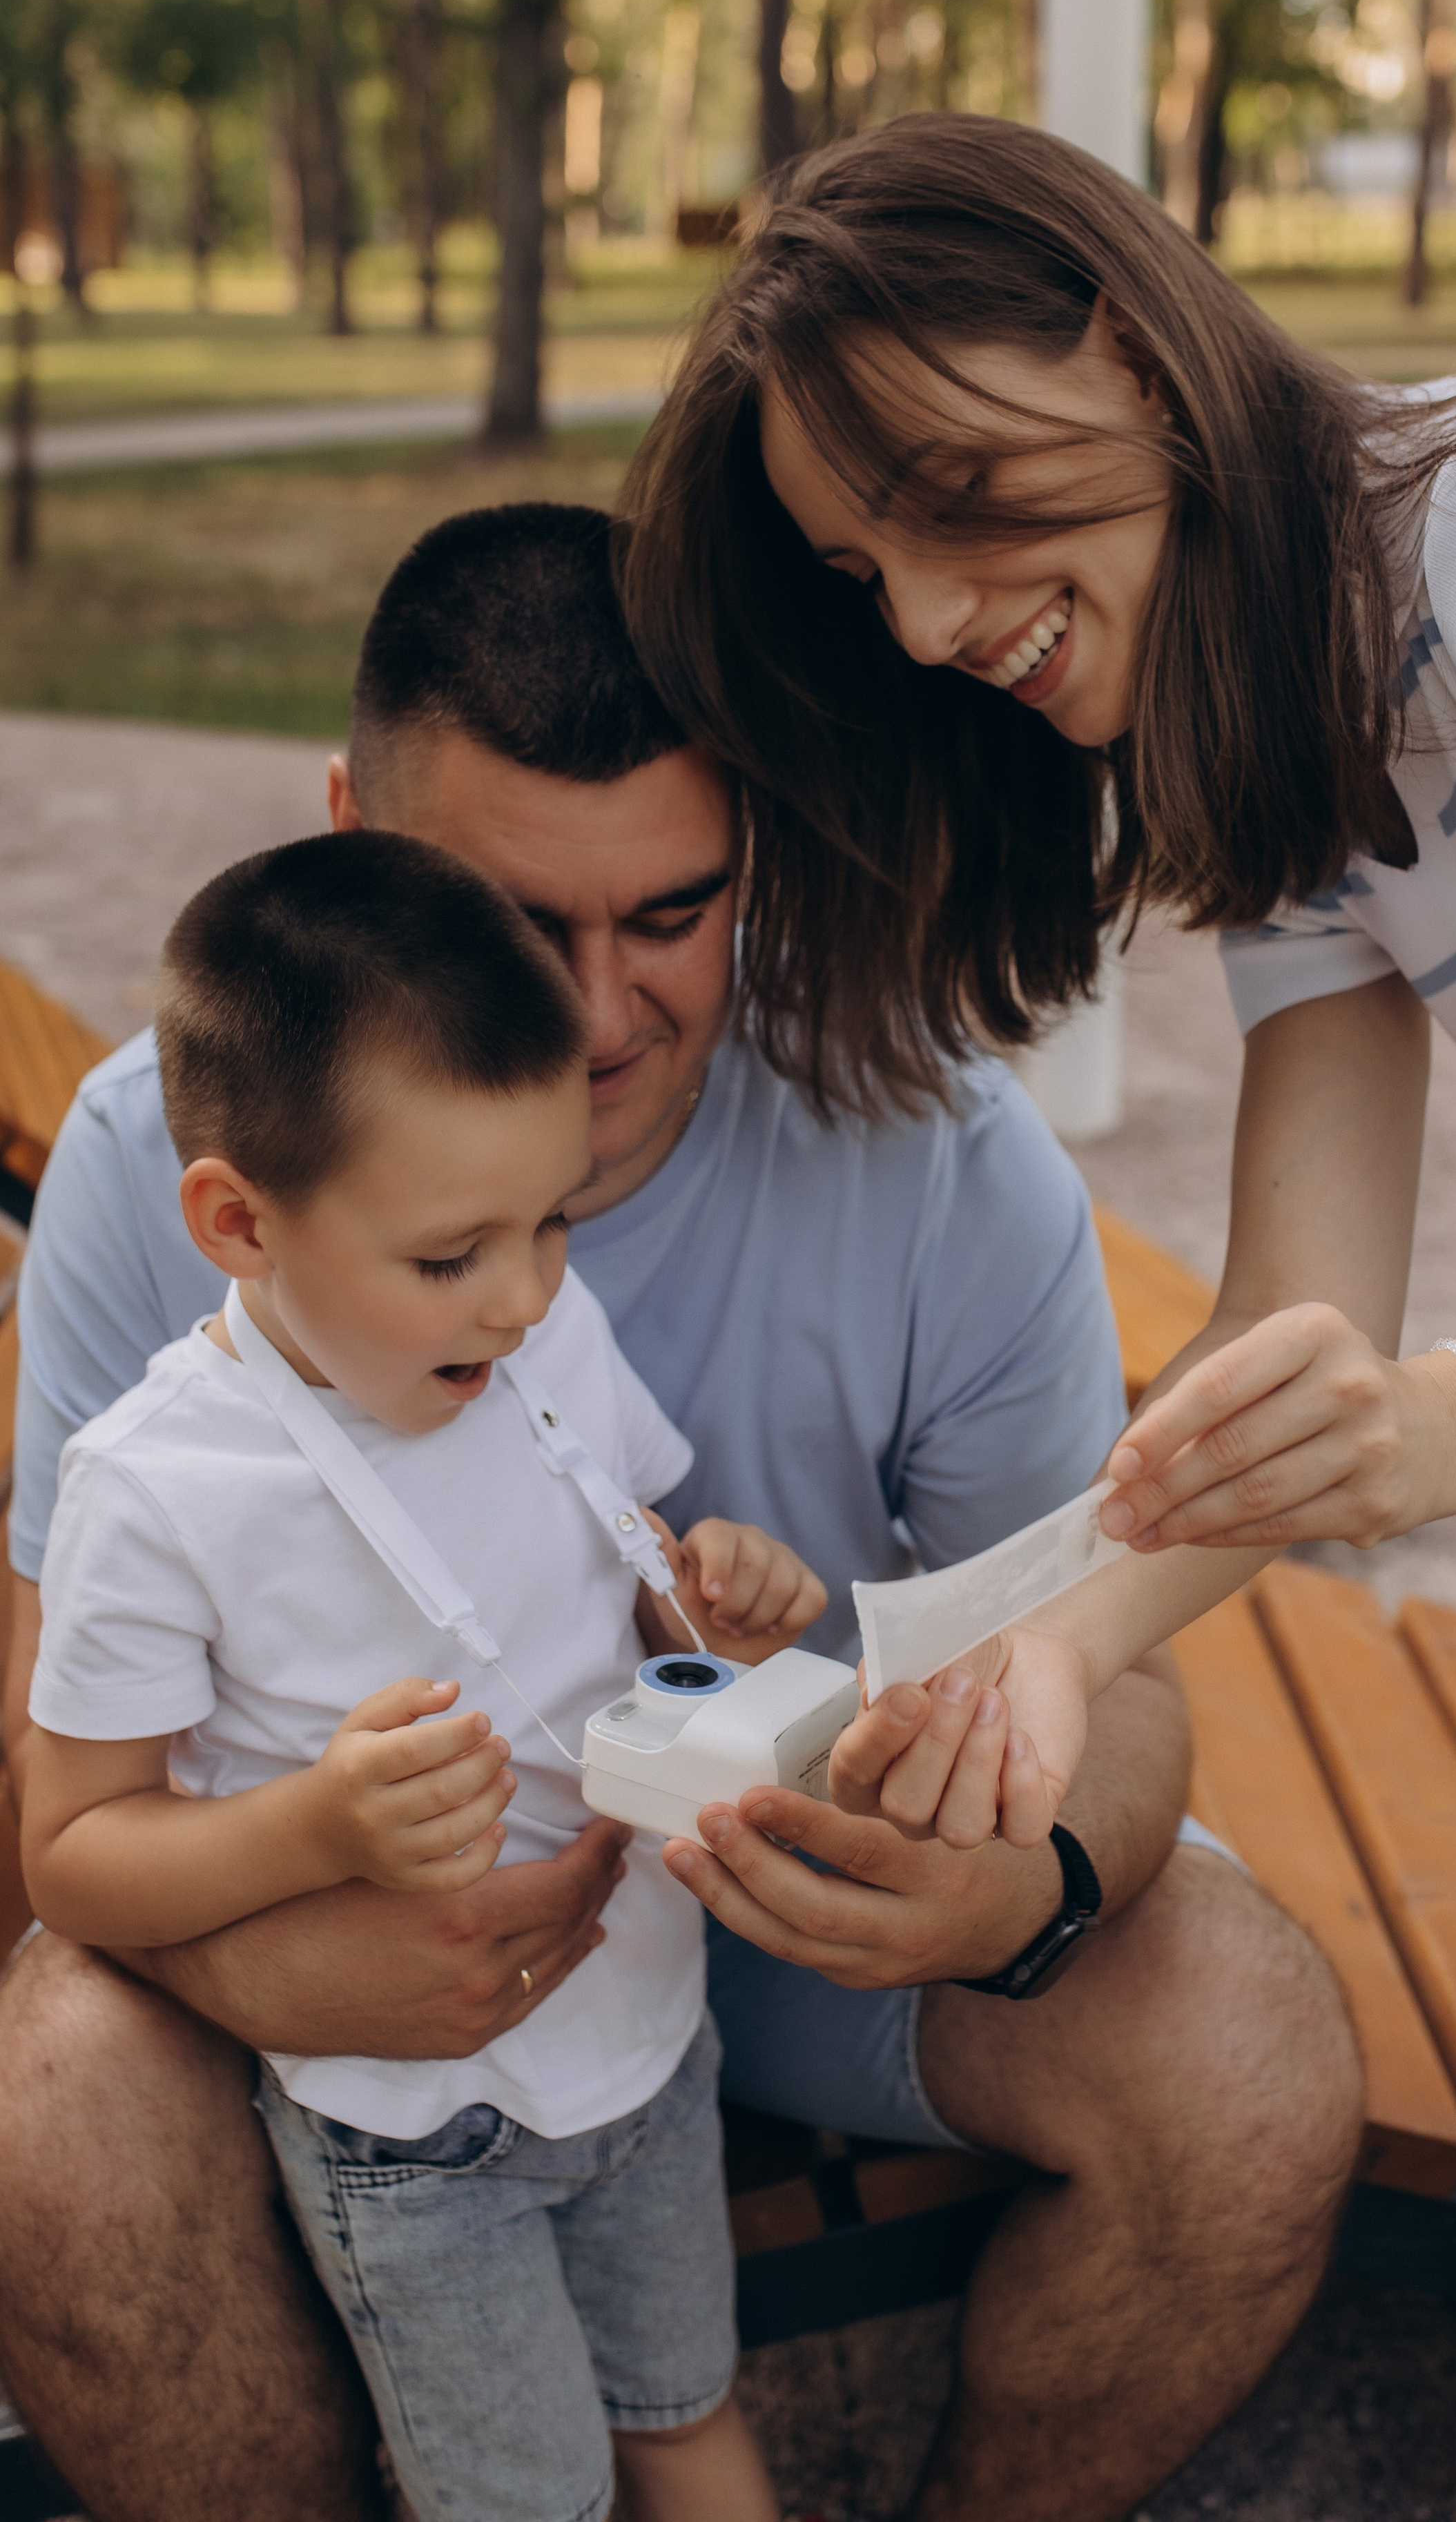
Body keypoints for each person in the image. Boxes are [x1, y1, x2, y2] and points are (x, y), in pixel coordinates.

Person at [617, 109, 1456, 2520]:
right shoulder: (1291, 728)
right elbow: (1295, 1332)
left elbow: (1395, 1406)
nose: (925, 621)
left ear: (1124, 343)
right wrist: (1053, 1647)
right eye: (862, 572)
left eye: (945, 500)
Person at [0, 504, 1360, 2522]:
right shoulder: (171, 1157)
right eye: (512, 924)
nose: (603, 1013)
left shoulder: (947, 1158)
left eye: (673, 914)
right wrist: (256, 1967)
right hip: (346, 1947)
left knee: (1250, 2053)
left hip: (807, 1924)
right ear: (348, 834)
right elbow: (60, 1761)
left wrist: (1021, 1889)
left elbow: (1126, 1689)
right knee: (55, 2110)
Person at [24, 829, 828, 2522]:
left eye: (552, 1220)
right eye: (453, 1257)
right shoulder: (156, 1490)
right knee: (525, 2498)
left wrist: (708, 1612)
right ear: (239, 1221)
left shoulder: (546, 1331)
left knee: (685, 2412)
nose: (528, 1293)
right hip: (409, 2129)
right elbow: (73, 1855)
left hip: (645, 2036)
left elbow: (632, 1598)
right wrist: (319, 1827)